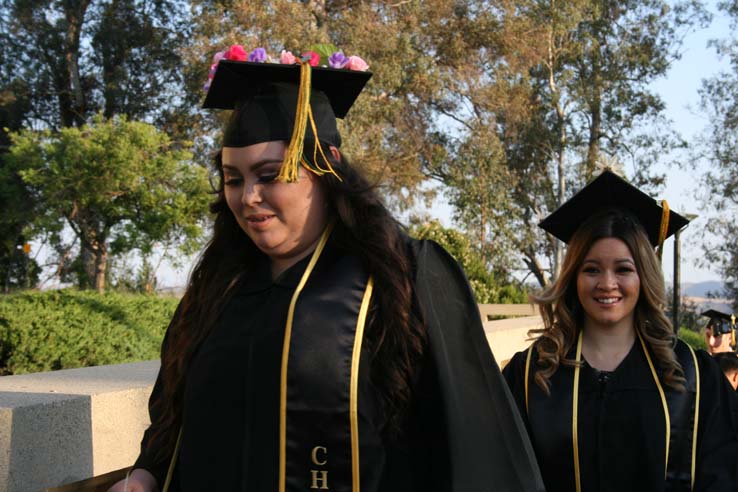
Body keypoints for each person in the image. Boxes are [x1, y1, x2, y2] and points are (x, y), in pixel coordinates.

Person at [109, 45, 544, 492]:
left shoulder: (402, 277)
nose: (248, 197)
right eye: (234, 179)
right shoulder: (216, 291)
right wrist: (145, 475)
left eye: (271, 174)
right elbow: (173, 416)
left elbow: (472, 444)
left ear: (327, 167)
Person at [503, 170, 738, 492]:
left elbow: (723, 475)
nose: (607, 283)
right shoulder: (533, 374)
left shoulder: (694, 376)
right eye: (591, 269)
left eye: (624, 269)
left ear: (643, 277)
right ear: (574, 276)